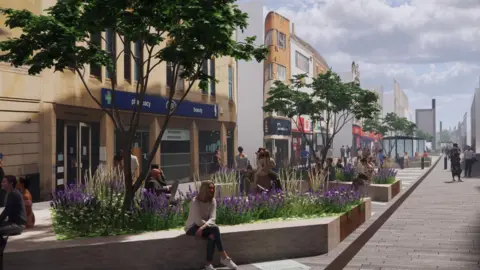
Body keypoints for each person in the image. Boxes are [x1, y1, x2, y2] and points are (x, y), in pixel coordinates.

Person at [185, 181, 237, 270]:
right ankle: (224, 257)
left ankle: (208, 265)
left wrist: (203, 227)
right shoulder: (195, 202)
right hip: (192, 228)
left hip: (203, 227)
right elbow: (197, 221)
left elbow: (213, 218)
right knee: (215, 229)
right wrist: (204, 226)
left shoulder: (212, 201)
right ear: (204, 189)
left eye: (213, 188)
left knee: (212, 236)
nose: (212, 190)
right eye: (210, 188)